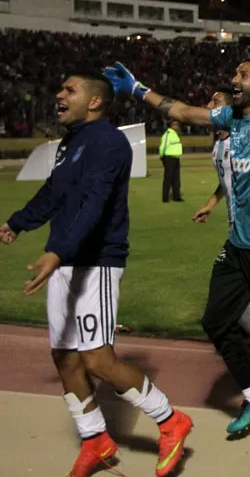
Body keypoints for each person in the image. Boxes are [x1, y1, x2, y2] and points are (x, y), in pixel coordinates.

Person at [102, 59, 250, 451]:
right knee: (216, 320)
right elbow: (183, 111)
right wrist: (137, 88)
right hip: (238, 244)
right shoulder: (229, 117)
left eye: (244, 75)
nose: (234, 80)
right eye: (234, 74)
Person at [0, 74, 192, 477]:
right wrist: (18, 223)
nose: (58, 94)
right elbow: (54, 193)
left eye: (69, 90)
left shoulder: (107, 142)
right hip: (66, 258)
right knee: (65, 357)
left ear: (96, 102)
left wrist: (58, 251)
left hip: (96, 262)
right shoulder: (72, 142)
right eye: (60, 88)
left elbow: (95, 204)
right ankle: (95, 439)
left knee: (98, 359)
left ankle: (170, 420)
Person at [191, 86, 250, 367]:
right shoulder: (218, 146)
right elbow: (227, 181)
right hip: (236, 228)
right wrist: (211, 203)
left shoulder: (244, 141)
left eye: (215, 102)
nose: (209, 105)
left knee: (236, 292)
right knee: (247, 291)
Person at [159, 119, 184, 202]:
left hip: (176, 158)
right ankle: (165, 198)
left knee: (176, 179)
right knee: (168, 178)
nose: (177, 126)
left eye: (177, 124)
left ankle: (176, 196)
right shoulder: (168, 134)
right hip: (169, 158)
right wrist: (162, 156)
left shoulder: (175, 134)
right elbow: (163, 146)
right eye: (175, 125)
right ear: (172, 126)